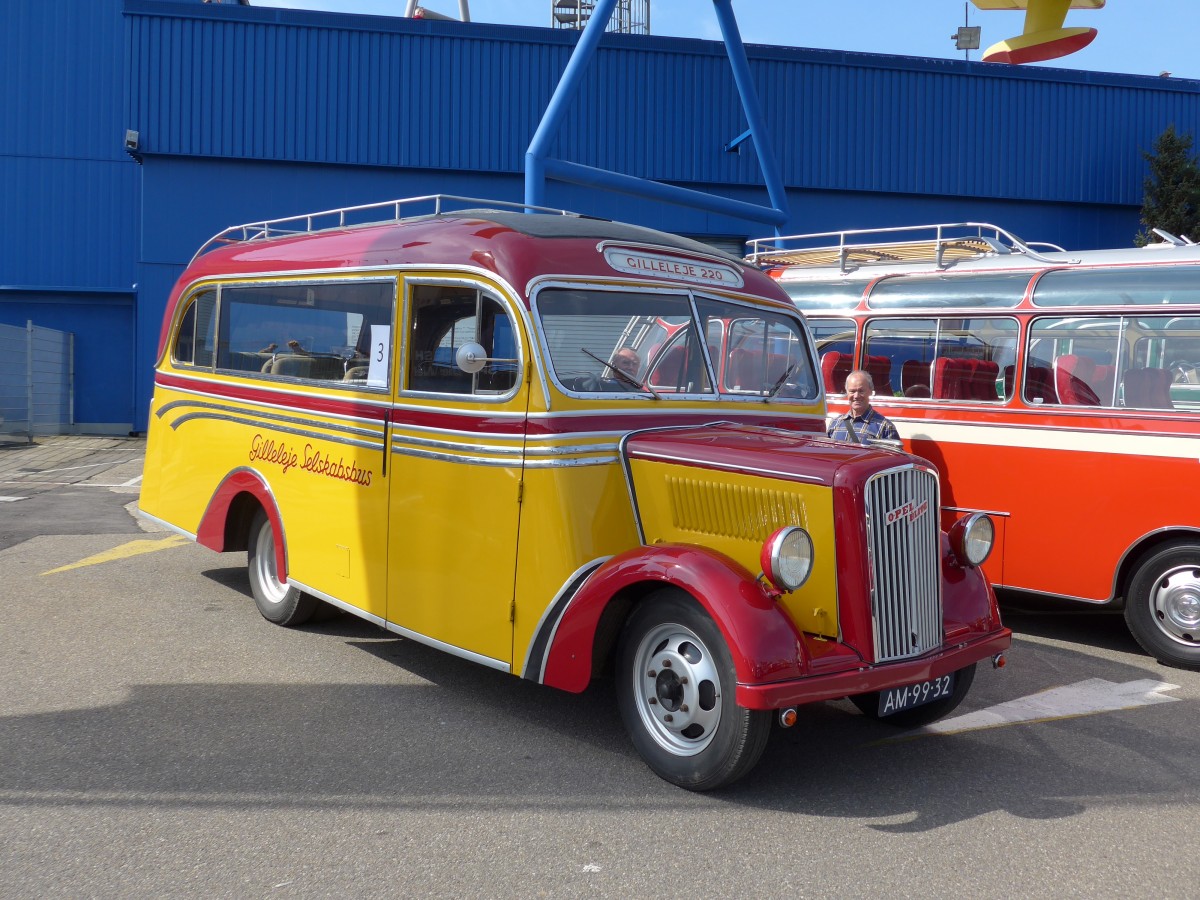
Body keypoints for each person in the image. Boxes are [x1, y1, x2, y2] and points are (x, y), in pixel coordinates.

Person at [827, 369, 899, 442]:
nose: (856, 396)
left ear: (870, 392)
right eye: (852, 391)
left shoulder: (885, 427)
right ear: (847, 392)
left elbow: (892, 453)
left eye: (861, 391)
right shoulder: (835, 423)